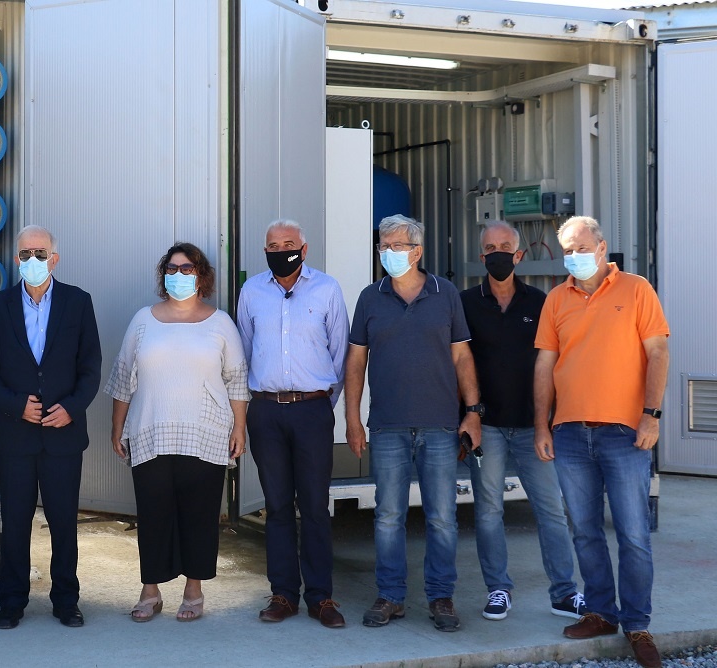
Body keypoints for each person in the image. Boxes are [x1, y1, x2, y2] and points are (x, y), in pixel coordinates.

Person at [533, 216, 670, 668]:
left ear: (601, 246)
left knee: (633, 534)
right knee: (585, 531)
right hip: (570, 434)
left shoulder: (637, 289)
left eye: (581, 246)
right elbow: (545, 365)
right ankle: (600, 613)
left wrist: (651, 415)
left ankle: (638, 625)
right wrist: (542, 425)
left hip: (625, 434)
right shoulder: (557, 299)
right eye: (567, 249)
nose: (574, 255)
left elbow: (658, 352)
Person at [344, 214, 483, 633]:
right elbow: (356, 361)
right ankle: (391, 596)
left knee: (442, 517)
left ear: (417, 251)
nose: (388, 252)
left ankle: (441, 596)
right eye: (383, 246)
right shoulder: (370, 297)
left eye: (397, 246)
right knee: (388, 516)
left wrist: (473, 412)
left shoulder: (445, 294)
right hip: (387, 426)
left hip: (440, 426)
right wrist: (352, 419)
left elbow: (462, 355)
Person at [107, 242, 249, 623]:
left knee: (199, 515)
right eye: (172, 268)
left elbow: (236, 379)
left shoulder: (220, 323)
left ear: (201, 276)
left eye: (187, 269)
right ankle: (150, 591)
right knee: (153, 513)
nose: (179, 275)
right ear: (163, 275)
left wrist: (240, 427)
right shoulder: (143, 320)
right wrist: (117, 426)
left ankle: (193, 590)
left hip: (206, 433)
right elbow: (123, 375)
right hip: (150, 430)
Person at [0, 225, 102, 630]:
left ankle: (66, 601)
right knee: (15, 523)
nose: (33, 260)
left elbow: (91, 366)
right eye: (26, 254)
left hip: (64, 435)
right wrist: (15, 406)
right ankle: (12, 601)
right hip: (17, 436)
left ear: (54, 259)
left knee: (64, 523)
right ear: (16, 259)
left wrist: (72, 408)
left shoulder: (78, 303)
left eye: (40, 253)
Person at [460, 221, 585, 622]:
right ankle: (498, 589)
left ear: (518, 255)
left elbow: (555, 362)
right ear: (481, 256)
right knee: (488, 511)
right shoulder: (464, 303)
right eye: (489, 248)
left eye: (504, 247)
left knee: (551, 510)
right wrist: (467, 417)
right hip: (487, 427)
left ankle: (564, 592)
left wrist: (551, 420)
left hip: (535, 426)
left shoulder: (540, 302)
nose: (497, 253)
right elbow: (457, 362)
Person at [236, 220, 348, 628]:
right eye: (272, 245)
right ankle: (283, 594)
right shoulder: (252, 292)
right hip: (266, 411)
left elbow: (340, 354)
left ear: (304, 248)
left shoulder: (327, 289)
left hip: (312, 411)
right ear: (264, 250)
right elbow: (244, 352)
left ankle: (321, 597)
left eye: (288, 244)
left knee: (315, 505)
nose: (280, 250)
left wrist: (320, 404)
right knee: (278, 505)